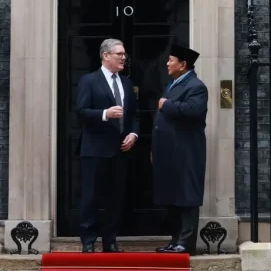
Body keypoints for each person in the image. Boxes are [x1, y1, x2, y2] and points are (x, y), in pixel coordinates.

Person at [75, 38, 139, 253]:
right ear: (105, 56)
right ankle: (88, 241)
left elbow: (135, 115)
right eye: (119, 54)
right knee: (91, 197)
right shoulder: (89, 81)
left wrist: (133, 133)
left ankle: (110, 241)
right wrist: (105, 114)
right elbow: (81, 111)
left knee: (115, 198)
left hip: (120, 150)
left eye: (124, 54)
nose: (123, 57)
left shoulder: (127, 83)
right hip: (94, 149)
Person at [151, 43, 208, 255]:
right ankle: (174, 241)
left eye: (171, 60)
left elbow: (193, 110)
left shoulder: (197, 86)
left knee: (187, 198)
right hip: (169, 152)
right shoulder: (173, 84)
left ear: (183, 65)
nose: (167, 63)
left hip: (186, 153)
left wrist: (166, 105)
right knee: (173, 199)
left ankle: (185, 243)